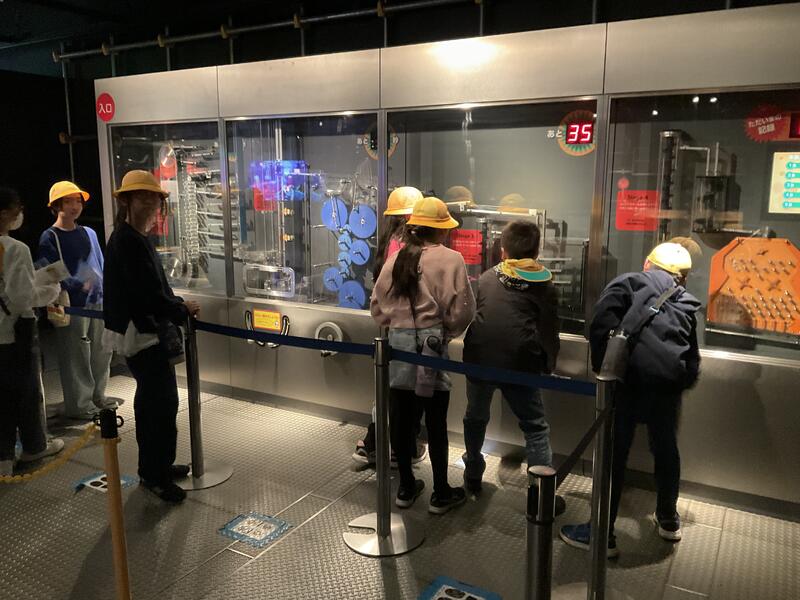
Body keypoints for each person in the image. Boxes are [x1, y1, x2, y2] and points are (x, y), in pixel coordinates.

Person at [560, 242, 701, 557]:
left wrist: (605, 371)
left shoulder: (628, 283)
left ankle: (601, 535)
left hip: (627, 383)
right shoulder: (684, 301)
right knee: (665, 448)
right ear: (683, 277)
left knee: (613, 454)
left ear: (648, 262)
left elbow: (599, 327)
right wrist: (681, 383)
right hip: (666, 387)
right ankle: (668, 519)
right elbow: (691, 353)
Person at [371, 197, 476, 514]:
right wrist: (445, 332)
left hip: (399, 345)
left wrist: (397, 324)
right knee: (436, 420)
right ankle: (440, 492)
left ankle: (405, 486)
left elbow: (377, 307)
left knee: (401, 420)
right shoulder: (452, 259)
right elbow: (464, 310)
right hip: (432, 345)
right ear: (441, 230)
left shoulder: (397, 259)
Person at [103, 170, 200, 503]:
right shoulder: (127, 240)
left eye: (154, 197)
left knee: (159, 403)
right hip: (142, 334)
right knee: (158, 405)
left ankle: (159, 466)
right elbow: (146, 294)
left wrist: (175, 305)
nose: (150, 202)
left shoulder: (133, 237)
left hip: (146, 332)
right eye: (143, 196)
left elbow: (153, 288)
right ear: (127, 201)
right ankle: (154, 475)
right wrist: (180, 309)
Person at [461, 221, 560, 494]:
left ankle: (472, 474)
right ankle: (540, 493)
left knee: (476, 416)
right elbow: (549, 331)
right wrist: (549, 362)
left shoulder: (487, 277)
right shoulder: (545, 285)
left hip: (479, 357)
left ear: (503, 250)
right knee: (535, 427)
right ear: (536, 251)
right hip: (521, 362)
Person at [353, 186, 428, 467]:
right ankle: (394, 447)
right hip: (409, 328)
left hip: (391, 325)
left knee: (390, 388)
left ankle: (376, 443)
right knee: (405, 392)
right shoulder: (409, 247)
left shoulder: (388, 242)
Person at [0, 187, 64, 477]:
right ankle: (34, 446)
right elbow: (22, 297)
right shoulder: (15, 248)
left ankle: (3, 457)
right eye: (17, 209)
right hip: (16, 332)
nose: (20, 215)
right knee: (25, 392)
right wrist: (50, 290)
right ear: (4, 213)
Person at [37, 181, 112, 420]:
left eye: (78, 201)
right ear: (56, 205)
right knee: (75, 354)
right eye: (68, 201)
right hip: (71, 303)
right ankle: (79, 404)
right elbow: (49, 270)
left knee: (101, 350)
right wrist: (77, 284)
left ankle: (98, 396)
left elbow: (101, 264)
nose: (74, 206)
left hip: (97, 300)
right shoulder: (50, 236)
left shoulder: (88, 232)